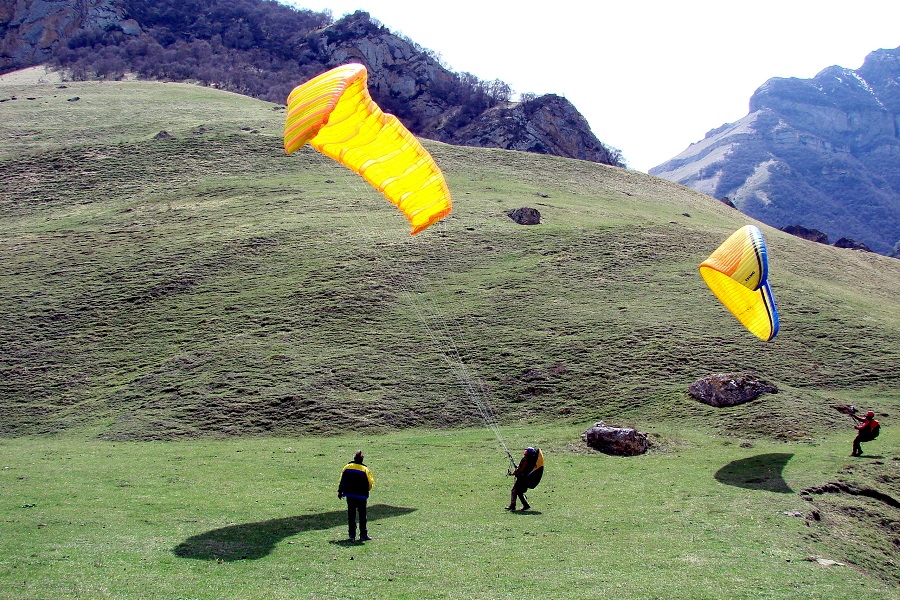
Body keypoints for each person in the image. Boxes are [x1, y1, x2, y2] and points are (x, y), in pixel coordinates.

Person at [338, 450, 374, 541]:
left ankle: (351, 535)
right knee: (362, 515)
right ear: (362, 460)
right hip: (361, 496)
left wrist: (340, 491)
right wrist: (366, 491)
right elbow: (370, 483)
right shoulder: (365, 469)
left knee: (351, 515)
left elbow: (342, 480)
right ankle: (363, 534)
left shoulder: (347, 467)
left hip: (350, 495)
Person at [506, 447, 543, 511]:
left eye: (526, 452)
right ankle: (526, 505)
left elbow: (521, 469)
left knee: (514, 490)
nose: (525, 452)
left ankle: (512, 506)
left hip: (522, 479)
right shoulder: (532, 460)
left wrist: (513, 473)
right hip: (527, 479)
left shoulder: (526, 460)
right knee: (519, 491)